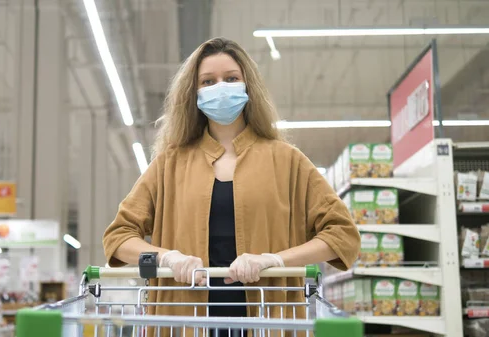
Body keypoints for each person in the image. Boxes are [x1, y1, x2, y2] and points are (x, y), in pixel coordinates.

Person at [102, 37, 360, 327]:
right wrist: (168, 258)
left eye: (231, 78)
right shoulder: (169, 165)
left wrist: (274, 260)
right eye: (208, 81)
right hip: (184, 319)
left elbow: (342, 235)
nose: (220, 87)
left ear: (248, 85)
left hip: (268, 318)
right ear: (194, 93)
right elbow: (118, 237)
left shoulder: (287, 161)